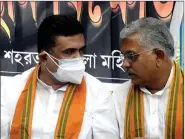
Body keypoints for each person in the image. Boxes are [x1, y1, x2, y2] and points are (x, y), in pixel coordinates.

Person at [1, 15, 119, 139]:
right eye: (69, 52)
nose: (78, 58)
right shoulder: (11, 89)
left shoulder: (97, 92)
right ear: (44, 58)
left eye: (81, 50)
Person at [113, 17, 184, 139]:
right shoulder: (118, 97)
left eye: (131, 55)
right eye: (123, 56)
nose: (125, 64)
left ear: (158, 56)